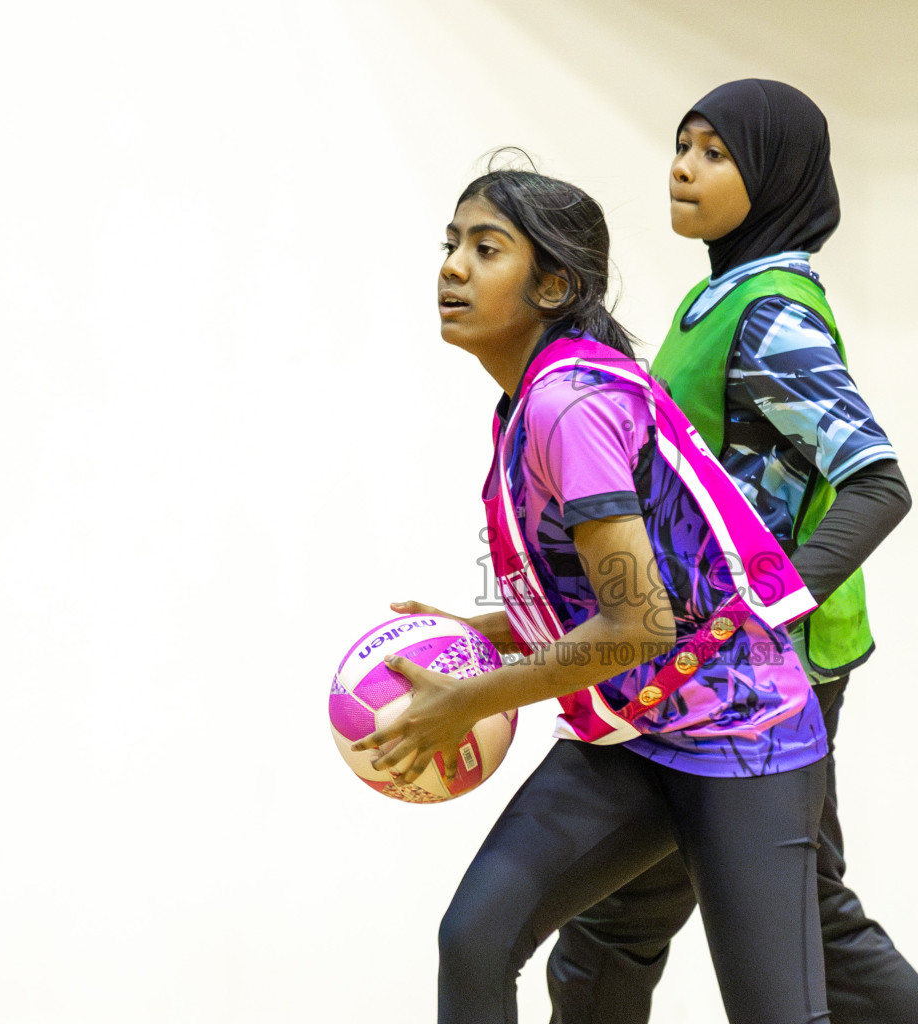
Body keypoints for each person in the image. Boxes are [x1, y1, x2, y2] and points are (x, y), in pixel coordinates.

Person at [357, 166, 835, 1024]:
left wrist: (466, 701)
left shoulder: (568, 403)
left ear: (554, 285)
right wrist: (482, 632)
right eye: (451, 246)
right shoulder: (529, 401)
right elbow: (613, 597)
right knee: (476, 939)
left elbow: (639, 623)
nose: (452, 268)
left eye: (485, 248)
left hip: (740, 729)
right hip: (638, 730)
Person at [545, 80, 918, 1024]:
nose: (684, 167)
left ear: (772, 178)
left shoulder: (773, 315)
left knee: (773, 921)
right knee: (624, 930)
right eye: (681, 145)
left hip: (767, 674)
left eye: (715, 153)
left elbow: (877, 483)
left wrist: (767, 604)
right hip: (707, 668)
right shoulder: (718, 297)